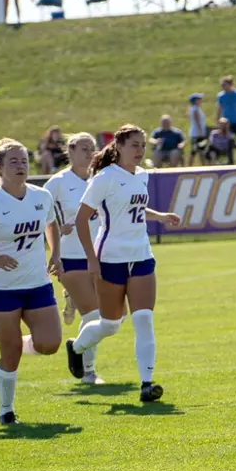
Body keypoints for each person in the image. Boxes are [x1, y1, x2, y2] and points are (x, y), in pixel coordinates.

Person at [66, 125, 183, 403]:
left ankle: (147, 383)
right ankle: (77, 347)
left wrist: (161, 216)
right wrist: (92, 261)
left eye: (143, 145)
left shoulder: (141, 175)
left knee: (144, 319)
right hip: (110, 259)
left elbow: (134, 208)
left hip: (141, 255)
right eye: (134, 145)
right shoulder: (104, 178)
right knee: (111, 324)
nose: (140, 150)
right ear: (118, 145)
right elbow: (82, 220)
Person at [0, 138, 63, 424]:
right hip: (1, 288)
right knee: (10, 353)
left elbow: (51, 224)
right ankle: (5, 411)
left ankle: (18, 342)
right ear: (0, 168)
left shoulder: (41, 196)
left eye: (24, 161)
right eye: (14, 162)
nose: (21, 166)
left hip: (36, 284)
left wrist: (55, 254)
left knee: (50, 343)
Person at [45, 132, 102, 385]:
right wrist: (58, 230)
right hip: (70, 257)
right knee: (94, 316)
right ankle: (88, 371)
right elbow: (41, 217)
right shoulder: (57, 183)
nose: (89, 153)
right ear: (70, 151)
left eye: (92, 148)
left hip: (100, 256)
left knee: (117, 317)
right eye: (84, 148)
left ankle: (76, 344)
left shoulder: (101, 179)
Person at [217, 76, 236, 152]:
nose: (223, 87)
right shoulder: (221, 96)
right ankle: (230, 162)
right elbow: (219, 110)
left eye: (224, 85)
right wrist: (218, 123)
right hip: (226, 124)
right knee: (228, 143)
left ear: (230, 84)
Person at [186, 93, 210, 165]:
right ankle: (189, 165)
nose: (200, 101)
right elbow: (197, 121)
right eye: (199, 99)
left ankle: (203, 164)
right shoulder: (195, 109)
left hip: (198, 133)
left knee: (201, 150)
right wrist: (201, 132)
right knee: (194, 150)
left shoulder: (195, 109)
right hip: (197, 134)